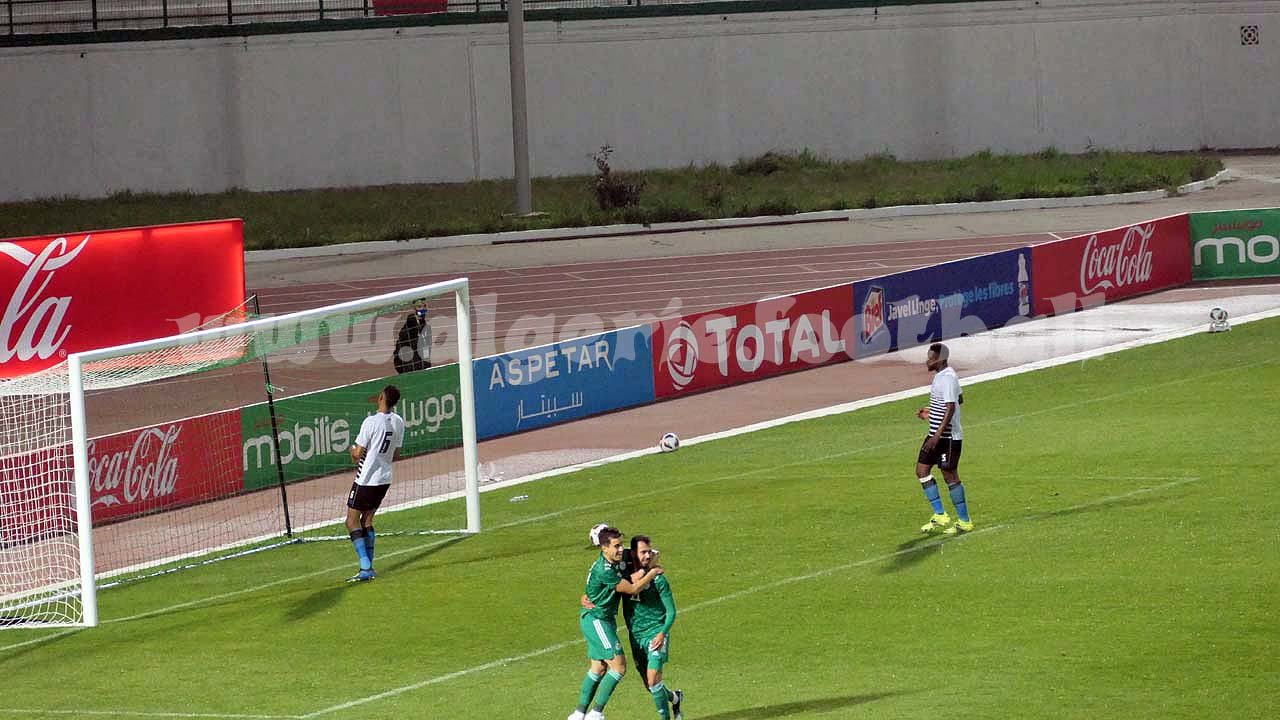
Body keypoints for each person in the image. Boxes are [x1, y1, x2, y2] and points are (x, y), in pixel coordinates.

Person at [569, 527, 664, 720]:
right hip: (596, 620)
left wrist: (649, 561)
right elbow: (632, 588)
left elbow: (651, 554)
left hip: (605, 620)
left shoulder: (620, 557)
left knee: (598, 668)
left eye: (621, 544)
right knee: (619, 667)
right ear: (604, 548)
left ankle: (578, 714)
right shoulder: (604, 570)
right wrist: (652, 572)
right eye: (616, 546)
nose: (621, 549)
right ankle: (596, 713)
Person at [345, 385, 406, 582]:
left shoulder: (371, 422)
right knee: (367, 521)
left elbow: (357, 455)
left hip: (366, 480)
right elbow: (396, 454)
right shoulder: (399, 422)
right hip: (384, 479)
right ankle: (368, 568)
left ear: (381, 397)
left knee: (351, 522)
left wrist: (351, 448)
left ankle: (365, 567)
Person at [622, 535, 684, 720]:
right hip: (636, 636)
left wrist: (662, 633)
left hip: (655, 633)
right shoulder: (626, 579)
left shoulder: (659, 580)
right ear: (634, 554)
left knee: (653, 678)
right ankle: (675, 698)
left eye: (649, 552)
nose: (648, 556)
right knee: (650, 686)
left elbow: (671, 612)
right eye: (643, 552)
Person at [915, 343, 973, 535]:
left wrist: (937, 435)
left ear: (940, 359)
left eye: (930, 358)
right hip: (936, 433)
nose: (927, 361)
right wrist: (931, 412)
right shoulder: (944, 375)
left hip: (947, 437)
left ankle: (964, 521)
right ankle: (940, 515)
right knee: (922, 470)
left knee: (950, 475)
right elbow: (959, 399)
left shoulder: (947, 378)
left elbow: (951, 407)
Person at [393, 301, 432, 374]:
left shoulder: (401, 342)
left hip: (407, 371)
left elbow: (397, 363)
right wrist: (421, 317)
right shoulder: (420, 342)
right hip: (422, 369)